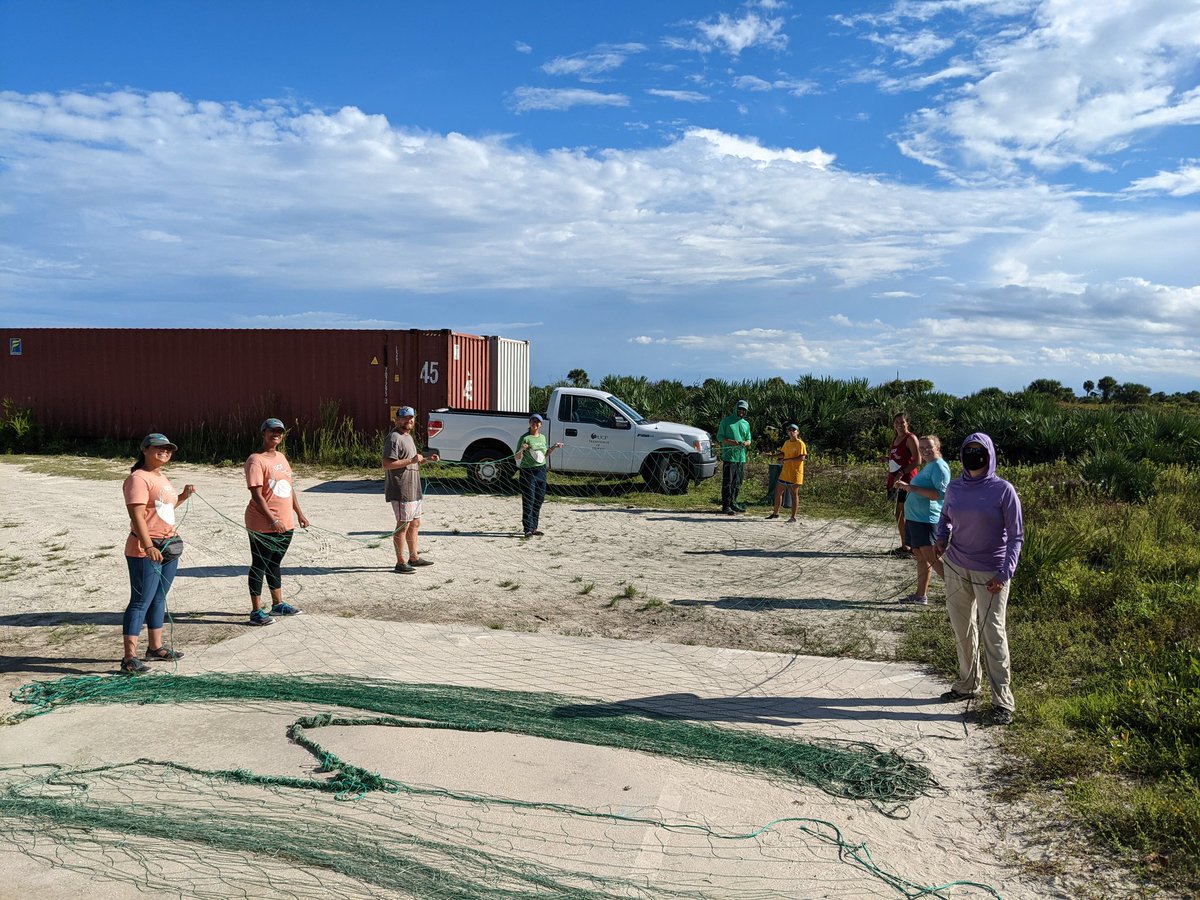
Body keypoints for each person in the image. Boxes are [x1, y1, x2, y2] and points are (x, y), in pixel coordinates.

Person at [935, 432, 1024, 726]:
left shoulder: (1003, 490)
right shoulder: (955, 487)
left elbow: (1016, 535)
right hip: (956, 567)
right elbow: (945, 517)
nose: (973, 455)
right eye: (968, 450)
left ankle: (1003, 701)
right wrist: (941, 537)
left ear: (989, 455)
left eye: (979, 451)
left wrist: (1005, 572)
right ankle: (968, 683)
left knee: (993, 634)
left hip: (992, 574)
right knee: (962, 629)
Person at [120, 433, 195, 673]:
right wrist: (148, 545)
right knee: (141, 601)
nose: (164, 452)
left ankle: (155, 647)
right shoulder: (138, 479)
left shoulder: (160, 477)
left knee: (159, 598)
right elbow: (137, 515)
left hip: (168, 545)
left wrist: (182, 496)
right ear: (145, 450)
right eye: (159, 448)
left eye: (168, 449)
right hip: (146, 548)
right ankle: (129, 658)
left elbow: (163, 510)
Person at [244, 417, 309, 625]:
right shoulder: (256, 460)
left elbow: (289, 488)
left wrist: (299, 513)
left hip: (285, 522)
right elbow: (257, 495)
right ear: (263, 433)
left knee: (275, 562)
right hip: (262, 523)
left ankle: (277, 604)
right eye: (271, 431)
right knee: (260, 564)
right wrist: (272, 520)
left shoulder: (281, 457)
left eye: (279, 432)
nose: (276, 435)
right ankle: (256, 611)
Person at [894, 435, 951, 605]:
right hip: (915, 518)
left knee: (931, 557)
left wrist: (912, 488)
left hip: (926, 519)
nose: (925, 450)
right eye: (922, 448)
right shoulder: (929, 466)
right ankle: (920, 595)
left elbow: (940, 495)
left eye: (929, 447)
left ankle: (958, 590)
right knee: (920, 556)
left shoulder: (940, 467)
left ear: (938, 447)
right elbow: (922, 489)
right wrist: (906, 487)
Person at [384, 405, 439, 574]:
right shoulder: (394, 438)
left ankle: (413, 557)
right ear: (397, 419)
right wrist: (412, 460)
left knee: (415, 523)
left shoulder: (408, 437)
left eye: (411, 418)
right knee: (403, 525)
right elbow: (387, 464)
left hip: (414, 489)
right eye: (404, 417)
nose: (408, 420)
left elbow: (412, 460)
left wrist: (427, 460)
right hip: (401, 489)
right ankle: (400, 562)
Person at [513, 414, 562, 538]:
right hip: (528, 472)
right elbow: (517, 457)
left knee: (539, 500)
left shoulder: (543, 438)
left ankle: (534, 527)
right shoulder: (525, 438)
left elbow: (543, 455)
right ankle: (527, 529)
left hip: (541, 471)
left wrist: (554, 447)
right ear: (529, 423)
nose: (535, 424)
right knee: (529, 499)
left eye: (538, 422)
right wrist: (522, 450)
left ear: (541, 424)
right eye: (533, 421)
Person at [885, 412, 920, 555]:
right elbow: (898, 458)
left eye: (902, 422)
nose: (899, 424)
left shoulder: (910, 438)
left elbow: (917, 461)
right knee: (898, 512)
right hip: (895, 479)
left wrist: (902, 472)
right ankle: (905, 545)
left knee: (905, 512)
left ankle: (911, 546)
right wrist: (886, 459)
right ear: (893, 425)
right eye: (896, 422)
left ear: (907, 423)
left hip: (907, 480)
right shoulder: (895, 439)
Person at [716, 400, 752, 515]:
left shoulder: (746, 424)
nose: (741, 411)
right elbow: (719, 437)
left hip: (741, 458)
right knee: (728, 482)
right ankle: (726, 506)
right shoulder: (726, 421)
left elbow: (749, 439)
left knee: (738, 482)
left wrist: (745, 443)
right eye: (740, 409)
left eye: (744, 410)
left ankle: (733, 503)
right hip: (729, 457)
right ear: (736, 409)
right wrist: (732, 442)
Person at [767, 424, 807, 523]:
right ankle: (775, 513)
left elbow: (802, 457)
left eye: (794, 430)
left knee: (794, 495)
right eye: (790, 430)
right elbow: (783, 454)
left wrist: (788, 460)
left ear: (798, 432)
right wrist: (773, 455)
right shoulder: (787, 443)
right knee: (778, 492)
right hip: (785, 472)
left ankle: (793, 517)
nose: (792, 431)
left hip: (795, 473)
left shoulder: (800, 443)